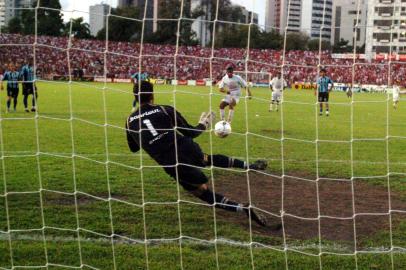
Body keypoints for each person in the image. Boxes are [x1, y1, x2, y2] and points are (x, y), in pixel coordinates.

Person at [126, 81, 275, 228]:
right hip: (185, 146)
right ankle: (249, 165)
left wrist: (148, 138)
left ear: (135, 97)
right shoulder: (165, 109)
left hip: (169, 161)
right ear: (152, 94)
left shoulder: (129, 121)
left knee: (202, 191)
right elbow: (190, 133)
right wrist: (204, 123)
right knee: (207, 159)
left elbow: (134, 148)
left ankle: (243, 208)